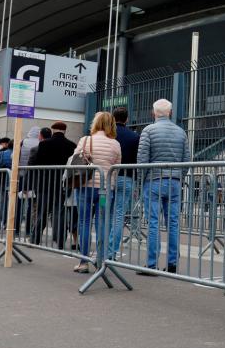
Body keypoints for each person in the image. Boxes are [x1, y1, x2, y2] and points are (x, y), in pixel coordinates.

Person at [137, 99, 190, 273]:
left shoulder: (148, 130)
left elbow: (142, 158)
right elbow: (186, 160)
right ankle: (173, 263)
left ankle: (151, 264)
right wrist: (179, 177)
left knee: (153, 222)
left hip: (153, 180)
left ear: (153, 113)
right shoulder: (181, 132)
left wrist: (141, 180)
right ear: (171, 112)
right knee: (173, 223)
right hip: (174, 181)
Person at [71, 112, 122, 272]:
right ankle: (101, 260)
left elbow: (74, 160)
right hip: (105, 191)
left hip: (85, 187)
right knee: (102, 223)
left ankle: (84, 262)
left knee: (84, 222)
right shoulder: (115, 144)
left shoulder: (85, 140)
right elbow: (116, 168)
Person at [30, 122, 77, 249]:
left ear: (53, 130)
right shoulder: (72, 145)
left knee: (42, 212)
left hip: (45, 183)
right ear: (65, 131)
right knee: (60, 213)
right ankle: (60, 242)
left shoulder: (44, 144)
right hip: (62, 184)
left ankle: (35, 239)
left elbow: (38, 163)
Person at [108, 106, 139, 258]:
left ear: (113, 118)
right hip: (127, 178)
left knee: (105, 212)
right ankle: (111, 251)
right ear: (127, 119)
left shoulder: (108, 135)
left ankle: (103, 247)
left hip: (108, 177)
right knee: (119, 215)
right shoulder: (134, 137)